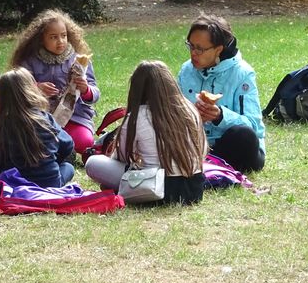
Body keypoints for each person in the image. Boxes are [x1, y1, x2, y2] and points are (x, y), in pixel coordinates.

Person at [86, 61, 207, 204]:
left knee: (93, 163)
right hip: (193, 188)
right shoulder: (189, 108)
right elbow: (203, 150)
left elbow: (122, 157)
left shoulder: (138, 116)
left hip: (153, 187)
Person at [177, 15, 265, 172]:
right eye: (191, 46)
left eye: (200, 49)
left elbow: (253, 126)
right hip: (194, 144)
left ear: (219, 49)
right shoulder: (186, 70)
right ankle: (204, 165)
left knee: (244, 136)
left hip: (229, 145)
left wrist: (220, 116)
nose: (193, 53)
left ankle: (207, 166)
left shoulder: (243, 73)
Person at [11, 9, 100, 160]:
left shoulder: (79, 59)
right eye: (53, 37)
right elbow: (17, 87)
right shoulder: (30, 60)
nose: (60, 41)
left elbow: (95, 92)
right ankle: (58, 149)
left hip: (76, 116)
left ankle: (63, 148)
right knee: (35, 140)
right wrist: (36, 88)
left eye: (64, 36)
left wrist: (85, 89)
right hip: (42, 117)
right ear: (41, 39)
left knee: (84, 142)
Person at [0, 68, 75, 188]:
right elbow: (68, 145)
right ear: (31, 90)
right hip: (50, 184)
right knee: (69, 167)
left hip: (15, 183)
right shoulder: (45, 118)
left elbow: (0, 161)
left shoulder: (2, 125)